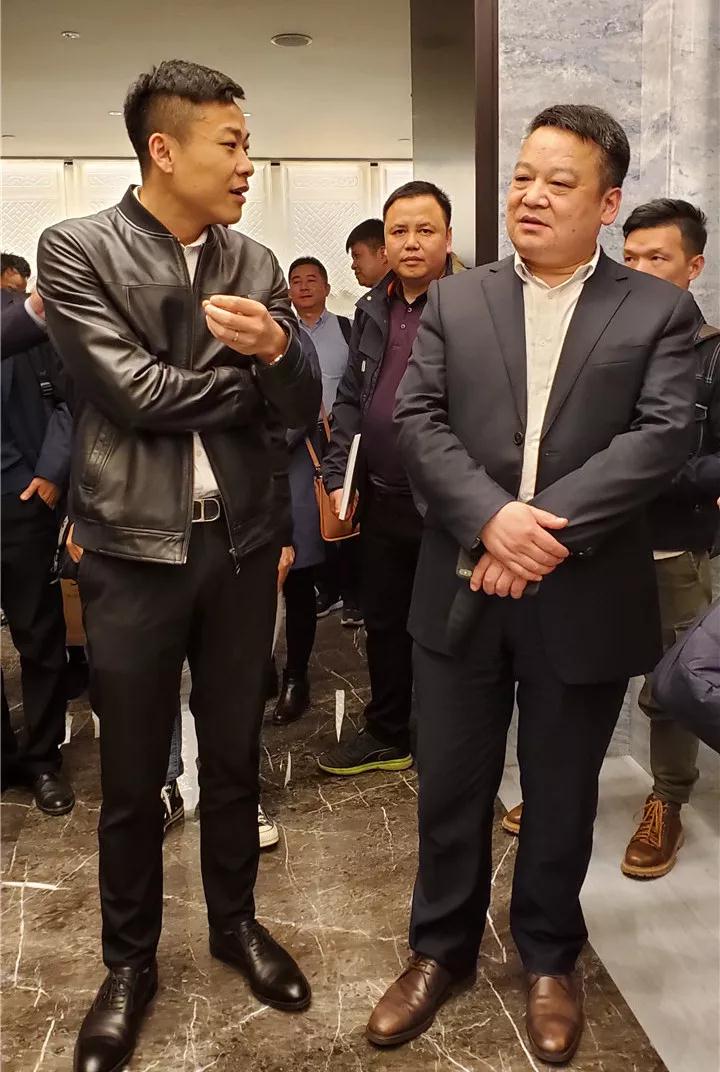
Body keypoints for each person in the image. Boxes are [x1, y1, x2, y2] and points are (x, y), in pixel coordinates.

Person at [366, 105, 697, 1062]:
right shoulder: (457, 300)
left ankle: (551, 956)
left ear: (608, 203)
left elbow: (663, 437)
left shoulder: (657, 310)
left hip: (581, 592)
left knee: (560, 792)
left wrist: (536, 530)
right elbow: (416, 420)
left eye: (559, 182)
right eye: (522, 176)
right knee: (450, 785)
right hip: (459, 583)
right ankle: (439, 949)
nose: (531, 196)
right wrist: (491, 519)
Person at [37, 59, 320, 1072]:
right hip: (129, 550)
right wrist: (247, 383)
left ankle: (236, 925)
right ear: (163, 149)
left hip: (239, 545)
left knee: (235, 752)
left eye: (248, 144)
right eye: (231, 144)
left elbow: (301, 403)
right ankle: (128, 964)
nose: (247, 164)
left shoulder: (255, 259)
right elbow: (133, 395)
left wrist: (279, 352)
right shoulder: (77, 248)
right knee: (130, 773)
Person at [502, 200, 720, 874]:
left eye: (659, 257)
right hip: (590, 543)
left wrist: (652, 471)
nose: (641, 269)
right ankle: (563, 789)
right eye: (632, 256)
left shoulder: (713, 353)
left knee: (672, 686)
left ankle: (667, 802)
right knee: (578, 674)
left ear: (693, 266)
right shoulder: (597, 338)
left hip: (670, 546)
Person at [318, 181, 459, 777]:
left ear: (448, 237)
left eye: (426, 230)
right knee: (384, 623)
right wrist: (338, 473)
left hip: (446, 506)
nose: (411, 242)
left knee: (447, 629)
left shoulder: (474, 304)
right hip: (380, 498)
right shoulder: (373, 308)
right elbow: (352, 398)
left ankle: (448, 740)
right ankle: (388, 731)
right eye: (400, 231)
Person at [1, 266, 73, 813]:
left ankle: (43, 759)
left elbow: (72, 399)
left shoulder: (26, 321)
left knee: (39, 636)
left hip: (21, 502)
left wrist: (50, 473)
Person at [286, 256, 362, 631]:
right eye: (296, 281)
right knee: (310, 513)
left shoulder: (348, 329)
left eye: (311, 279)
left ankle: (354, 595)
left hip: (341, 434)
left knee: (347, 508)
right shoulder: (283, 335)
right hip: (302, 438)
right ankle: (326, 589)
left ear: (327, 288)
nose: (303, 286)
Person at [346, 218, 389, 289]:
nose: (353, 266)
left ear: (383, 253)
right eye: (353, 259)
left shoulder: (405, 291)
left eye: (357, 256)